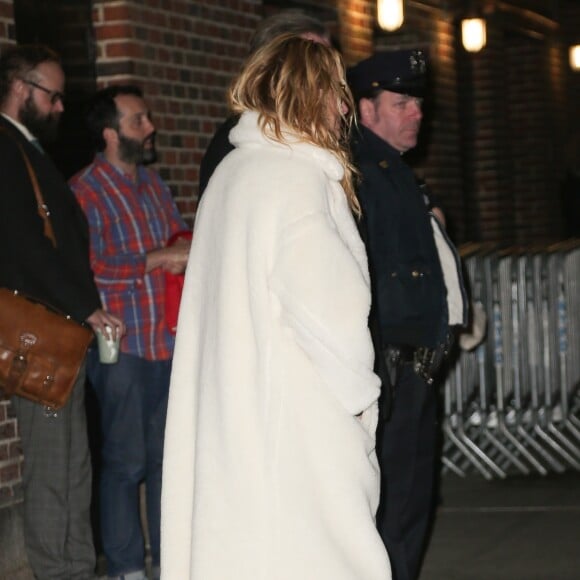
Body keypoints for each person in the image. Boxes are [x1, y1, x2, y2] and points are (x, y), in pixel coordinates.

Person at [161, 34, 391, 580]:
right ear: (312, 96)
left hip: (241, 415)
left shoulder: (235, 173)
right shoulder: (297, 177)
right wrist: (360, 401)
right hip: (297, 422)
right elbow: (331, 313)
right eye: (336, 93)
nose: (343, 108)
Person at [0, 44, 123, 579]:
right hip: (46, 332)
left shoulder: (24, 149)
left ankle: (73, 567)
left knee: (73, 463)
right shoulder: (6, 149)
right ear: (21, 88)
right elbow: (24, 244)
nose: (59, 108)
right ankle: (61, 571)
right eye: (52, 96)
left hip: (60, 332)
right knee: (55, 466)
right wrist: (87, 307)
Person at [348, 50, 468, 580]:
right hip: (390, 363)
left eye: (417, 101)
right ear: (365, 108)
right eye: (401, 102)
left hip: (413, 360)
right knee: (394, 501)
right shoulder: (361, 172)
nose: (416, 112)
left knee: (412, 496)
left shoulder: (394, 171)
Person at [69, 85, 190, 580]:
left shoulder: (153, 185)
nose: (150, 127)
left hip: (166, 339)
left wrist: (185, 246)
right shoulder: (83, 190)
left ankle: (168, 560)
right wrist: (158, 259)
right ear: (110, 132)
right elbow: (86, 268)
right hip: (122, 345)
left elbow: (176, 239)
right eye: (139, 121)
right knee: (125, 462)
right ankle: (124, 568)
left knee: (167, 459)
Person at [198, 10, 331, 195]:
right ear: (274, 68)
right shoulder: (240, 142)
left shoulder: (301, 135)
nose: (325, 82)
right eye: (311, 66)